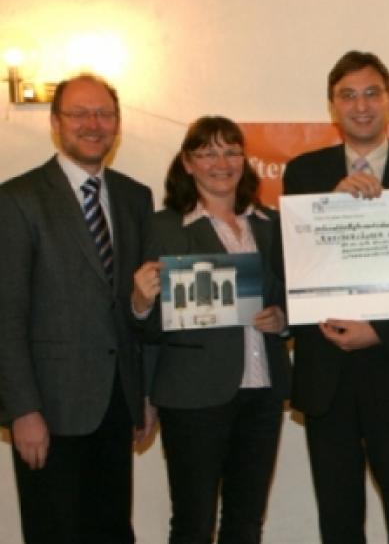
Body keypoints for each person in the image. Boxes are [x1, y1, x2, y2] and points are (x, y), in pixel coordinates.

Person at [282, 51, 389, 543]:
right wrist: (326, 211)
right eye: (347, 95)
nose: (361, 105)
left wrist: (381, 330)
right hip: (326, 374)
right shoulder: (303, 174)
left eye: (371, 93)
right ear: (332, 107)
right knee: (337, 519)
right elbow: (291, 268)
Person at [0, 74, 154, 543]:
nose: (94, 124)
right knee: (55, 532)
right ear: (55, 122)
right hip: (49, 409)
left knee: (112, 532)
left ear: (118, 124)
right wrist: (22, 409)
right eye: (80, 114)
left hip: (116, 404)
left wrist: (143, 393)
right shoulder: (17, 200)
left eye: (105, 114)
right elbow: (6, 315)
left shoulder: (135, 197)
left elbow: (136, 306)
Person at [130, 116, 290, 543]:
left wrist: (282, 320)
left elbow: (288, 296)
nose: (222, 162)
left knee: (247, 520)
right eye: (208, 152)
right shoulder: (163, 227)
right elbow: (145, 329)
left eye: (231, 150)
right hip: (192, 396)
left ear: (244, 159)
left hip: (262, 392)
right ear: (187, 163)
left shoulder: (270, 224)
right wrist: (141, 304)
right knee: (194, 522)